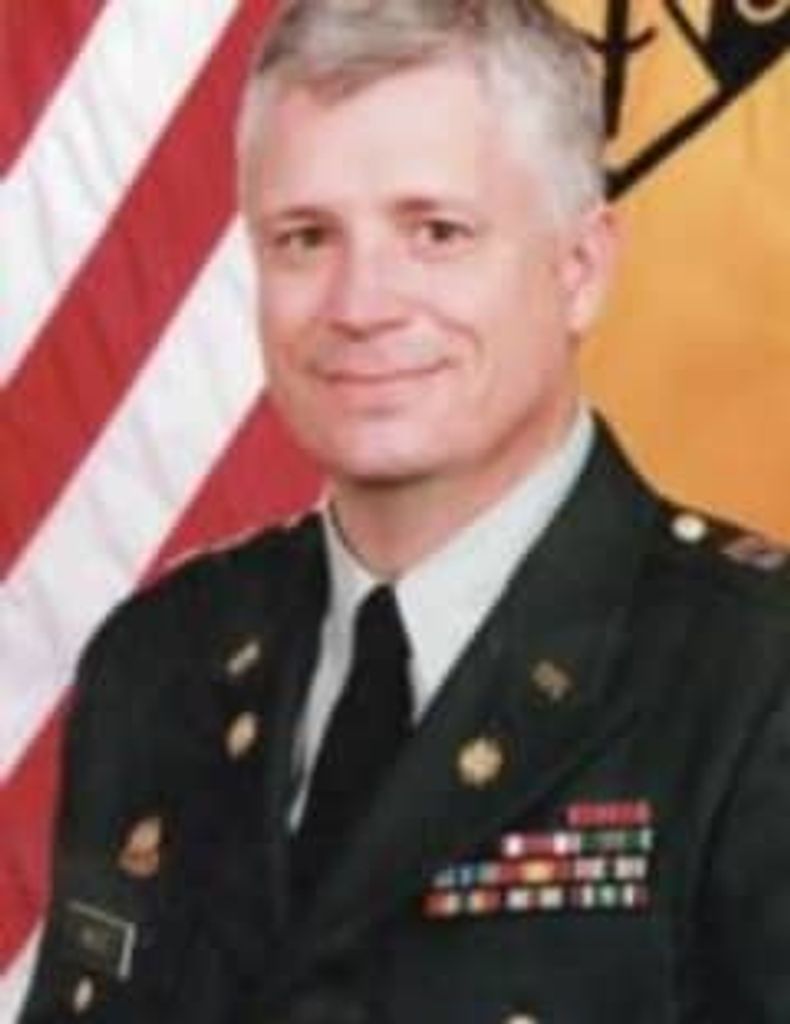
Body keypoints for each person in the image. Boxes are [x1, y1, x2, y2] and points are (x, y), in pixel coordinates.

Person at [19, 1, 790, 1021]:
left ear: (579, 270)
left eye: (436, 233)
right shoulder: (159, 663)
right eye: (305, 238)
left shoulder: (754, 677)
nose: (360, 304)